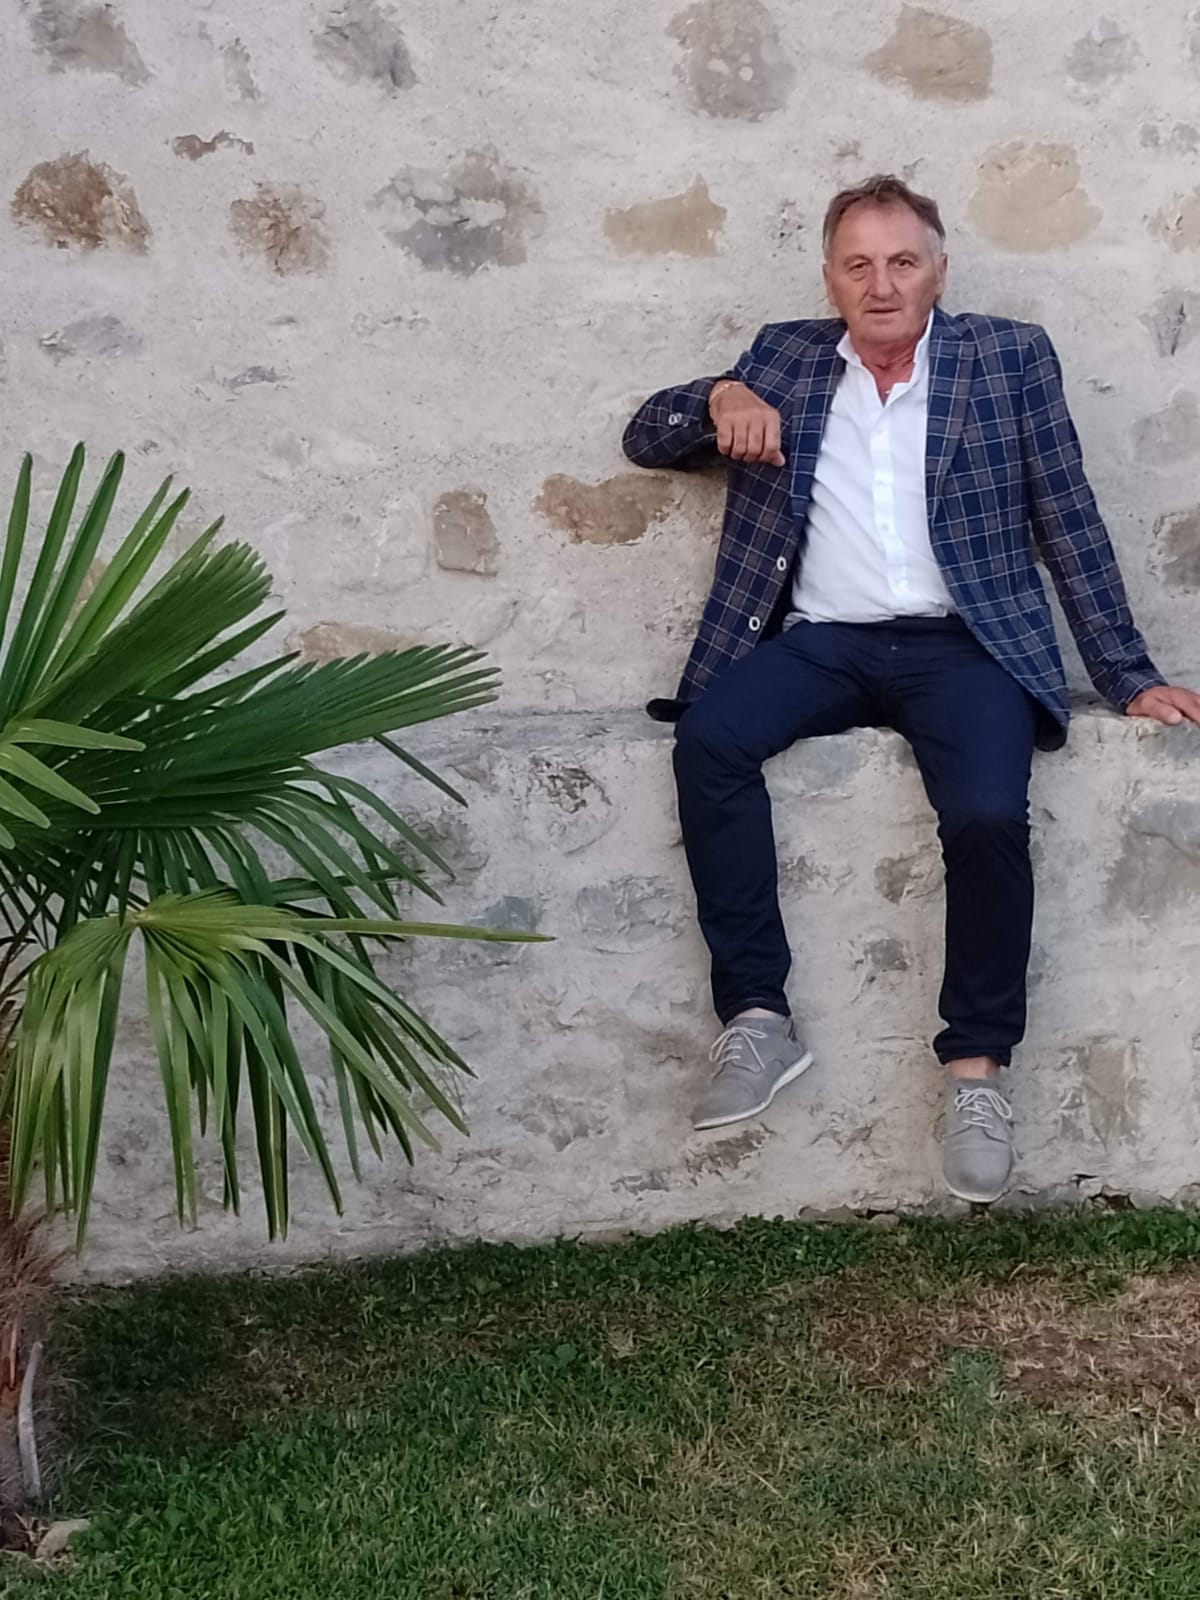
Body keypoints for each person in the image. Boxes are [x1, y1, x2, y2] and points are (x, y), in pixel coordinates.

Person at [622, 174, 1200, 1203]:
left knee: (985, 813)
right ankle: (756, 1017)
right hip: (824, 644)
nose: (880, 284)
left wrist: (1126, 673)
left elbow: (1067, 517)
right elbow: (644, 436)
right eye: (859, 265)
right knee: (710, 740)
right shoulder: (783, 359)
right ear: (830, 279)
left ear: (938, 270)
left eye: (902, 261)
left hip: (964, 646)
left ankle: (976, 1072)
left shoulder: (1007, 358)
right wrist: (717, 397)